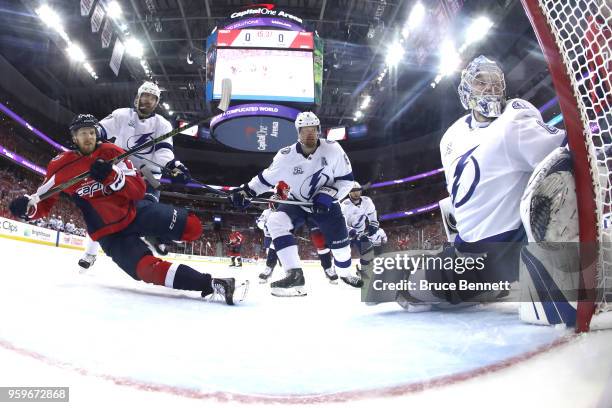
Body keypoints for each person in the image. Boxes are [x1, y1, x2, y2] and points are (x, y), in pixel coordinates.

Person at [391, 55, 566, 309]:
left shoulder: (513, 121)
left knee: (403, 289)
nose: (490, 88)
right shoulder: (451, 136)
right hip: (465, 246)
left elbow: (564, 153)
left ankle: (490, 283)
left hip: (501, 249)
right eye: (481, 82)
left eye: (496, 82)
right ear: (466, 89)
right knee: (395, 283)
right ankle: (475, 287)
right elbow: (460, 198)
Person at [9, 114, 239, 305]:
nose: (87, 137)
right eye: (82, 133)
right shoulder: (60, 166)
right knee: (146, 271)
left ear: (97, 133)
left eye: (91, 132)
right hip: (109, 235)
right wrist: (26, 210)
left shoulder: (111, 152)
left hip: (134, 211)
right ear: (74, 137)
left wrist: (112, 176)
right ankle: (210, 283)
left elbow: (138, 190)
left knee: (193, 228)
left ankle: (155, 234)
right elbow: (42, 202)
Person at [230, 111, 362, 296]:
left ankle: (346, 274)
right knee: (275, 222)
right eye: (304, 130)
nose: (309, 134)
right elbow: (265, 179)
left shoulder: (333, 149)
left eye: (313, 129)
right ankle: (294, 275)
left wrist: (327, 195)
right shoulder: (286, 156)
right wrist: (246, 191)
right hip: (297, 203)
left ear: (319, 131)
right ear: (298, 132)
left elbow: (347, 180)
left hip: (327, 206)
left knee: (341, 248)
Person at [78, 81, 190, 269]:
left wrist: (173, 165)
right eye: (144, 95)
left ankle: (154, 234)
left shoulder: (162, 124)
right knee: (101, 213)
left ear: (156, 103)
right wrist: (90, 135)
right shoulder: (122, 115)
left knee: (145, 210)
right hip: (121, 173)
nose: (147, 100)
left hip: (148, 175)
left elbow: (164, 153)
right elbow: (101, 129)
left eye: (152, 98)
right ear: (137, 97)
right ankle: (90, 253)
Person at [341, 181, 378, 276]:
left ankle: (363, 271)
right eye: (353, 191)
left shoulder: (367, 201)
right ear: (349, 192)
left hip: (360, 233)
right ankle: (341, 272)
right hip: (347, 235)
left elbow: (372, 213)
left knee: (368, 252)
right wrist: (350, 231)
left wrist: (373, 224)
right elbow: (341, 223)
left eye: (358, 191)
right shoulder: (345, 205)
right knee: (343, 255)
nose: (356, 193)